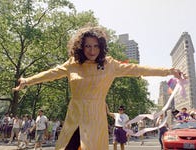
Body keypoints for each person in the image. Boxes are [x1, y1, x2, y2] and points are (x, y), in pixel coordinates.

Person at [13, 25, 185, 150]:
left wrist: (169, 71)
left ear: (101, 47)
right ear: (81, 47)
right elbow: (51, 73)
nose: (92, 50)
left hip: (95, 118)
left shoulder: (110, 64)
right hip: (74, 116)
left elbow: (138, 69)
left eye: (96, 46)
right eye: (88, 46)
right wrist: (27, 80)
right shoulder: (72, 64)